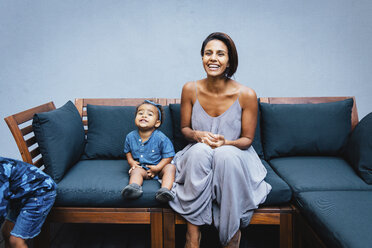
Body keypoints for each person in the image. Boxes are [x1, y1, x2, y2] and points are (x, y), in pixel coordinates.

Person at [168, 32, 272, 248]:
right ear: (202, 57)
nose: (213, 58)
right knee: (199, 151)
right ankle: (192, 235)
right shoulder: (189, 89)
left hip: (235, 154)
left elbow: (247, 140)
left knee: (225, 156)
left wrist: (226, 143)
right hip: (198, 153)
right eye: (208, 53)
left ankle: (231, 236)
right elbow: (185, 129)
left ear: (229, 61)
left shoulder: (246, 94)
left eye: (220, 54)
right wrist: (198, 135)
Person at [121, 100, 176, 203]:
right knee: (135, 171)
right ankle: (134, 188)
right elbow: (127, 152)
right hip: (142, 168)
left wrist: (158, 167)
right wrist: (131, 162)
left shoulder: (161, 138)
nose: (144, 116)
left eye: (149, 114)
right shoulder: (130, 137)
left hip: (159, 168)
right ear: (135, 118)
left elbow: (169, 156)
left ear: (157, 123)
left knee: (171, 167)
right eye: (140, 113)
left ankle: (165, 191)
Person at [0, 156, 57, 248]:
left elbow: (1, 208)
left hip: (40, 194)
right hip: (22, 195)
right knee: (6, 232)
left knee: (16, 240)